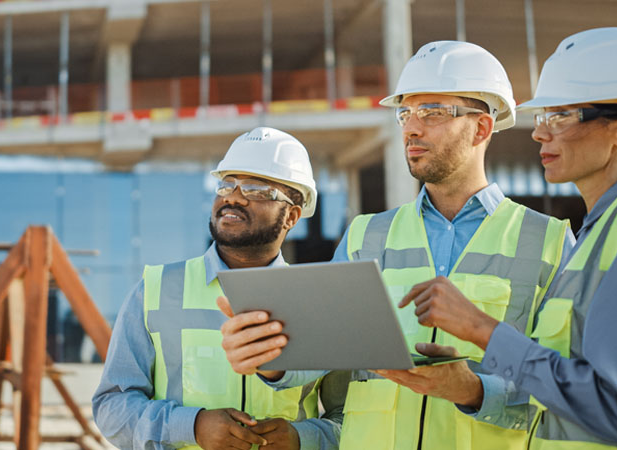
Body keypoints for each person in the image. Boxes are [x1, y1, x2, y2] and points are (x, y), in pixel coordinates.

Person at [217, 41, 575, 450]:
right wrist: (271, 359)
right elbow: (322, 361)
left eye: (432, 112)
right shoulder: (365, 236)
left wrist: (474, 391)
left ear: (481, 128)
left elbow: (568, 388)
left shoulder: (547, 241)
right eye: (405, 113)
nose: (411, 127)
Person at [398, 27, 617, 448]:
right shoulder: (601, 228)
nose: (539, 134)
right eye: (543, 118)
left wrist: (480, 329)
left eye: (561, 116)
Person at [92, 127, 348, 450]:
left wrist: (303, 438)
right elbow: (111, 408)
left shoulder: (320, 307)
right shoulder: (154, 292)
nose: (233, 197)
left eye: (255, 188)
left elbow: (350, 417)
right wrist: (193, 426)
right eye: (227, 184)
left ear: (292, 216)